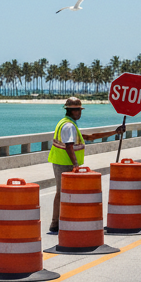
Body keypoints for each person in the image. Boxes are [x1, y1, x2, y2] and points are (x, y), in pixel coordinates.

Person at [47, 97, 97, 234]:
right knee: (64, 193)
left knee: (61, 193)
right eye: (77, 110)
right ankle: (57, 223)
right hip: (65, 163)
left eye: (80, 110)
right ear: (70, 111)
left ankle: (56, 222)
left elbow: (85, 137)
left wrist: (114, 132)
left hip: (60, 162)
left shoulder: (66, 122)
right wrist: (75, 164)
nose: (80, 113)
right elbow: (69, 146)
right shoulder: (69, 125)